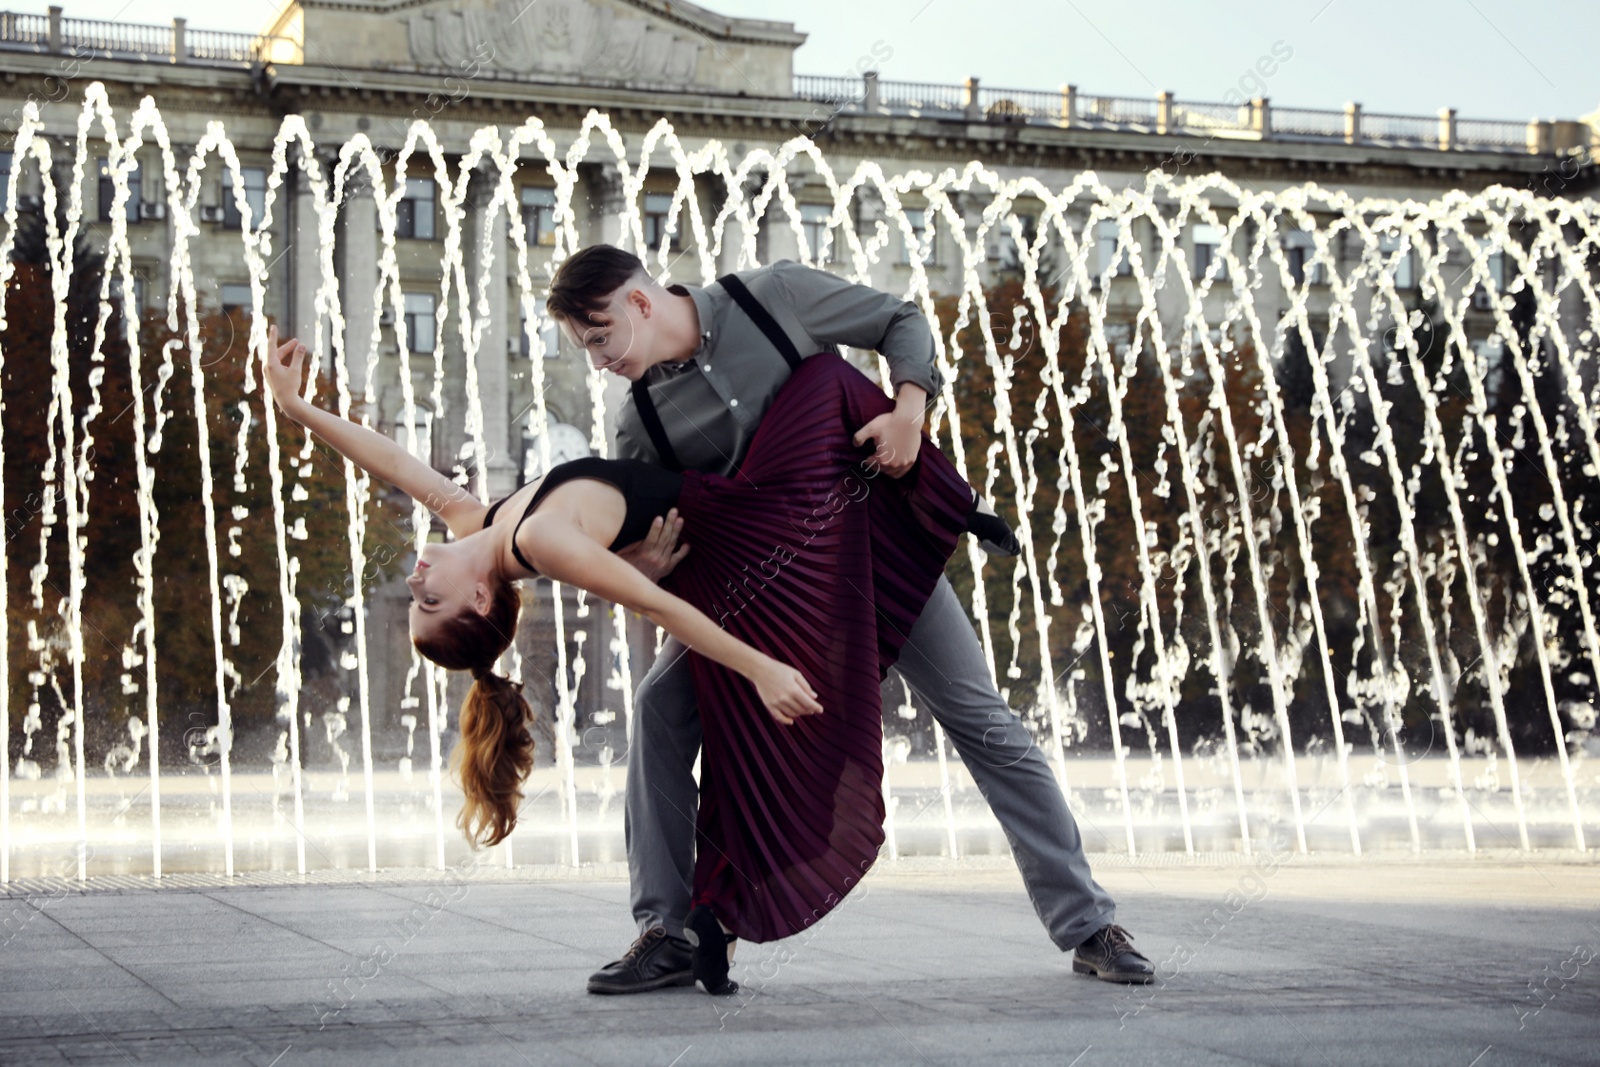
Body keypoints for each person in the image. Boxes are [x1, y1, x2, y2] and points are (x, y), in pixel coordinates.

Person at [260, 322, 1021, 995]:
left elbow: (393, 461)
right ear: (483, 603)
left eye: (416, 596)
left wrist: (298, 409)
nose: (417, 578)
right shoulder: (541, 542)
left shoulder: (481, 520)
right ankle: (692, 923)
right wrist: (759, 666)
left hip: (744, 510)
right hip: (758, 548)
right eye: (430, 602)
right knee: (825, 386)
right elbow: (662, 608)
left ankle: (954, 508)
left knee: (831, 408)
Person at [549, 245, 1156, 995]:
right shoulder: (639, 420)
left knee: (982, 718)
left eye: (601, 336)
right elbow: (645, 532)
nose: (600, 360)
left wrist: (909, 408)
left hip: (874, 558)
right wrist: (641, 566)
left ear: (640, 302)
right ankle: (666, 931)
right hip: (768, 605)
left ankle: (1091, 924)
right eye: (586, 347)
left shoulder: (772, 296)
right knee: (655, 707)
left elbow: (901, 318)